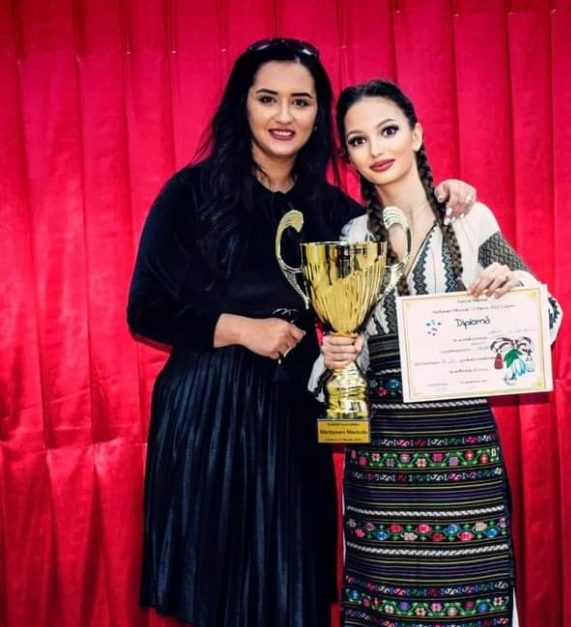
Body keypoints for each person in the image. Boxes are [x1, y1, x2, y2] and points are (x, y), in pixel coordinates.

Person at [127, 40, 477, 627]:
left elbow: (397, 235)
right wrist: (241, 330)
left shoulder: (334, 211)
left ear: (319, 115)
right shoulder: (190, 193)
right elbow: (146, 310)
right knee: (216, 590)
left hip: (294, 414)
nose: (284, 115)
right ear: (243, 104)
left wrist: (446, 197)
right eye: (268, 99)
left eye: (302, 101)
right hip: (207, 413)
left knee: (291, 587)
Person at [315, 79, 563, 627]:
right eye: (358, 140)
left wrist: (511, 289)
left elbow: (544, 318)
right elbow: (348, 360)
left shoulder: (470, 219)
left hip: (463, 454)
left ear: (416, 134)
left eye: (388, 130)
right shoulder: (350, 238)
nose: (376, 149)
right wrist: (338, 355)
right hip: (381, 462)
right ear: (348, 157)